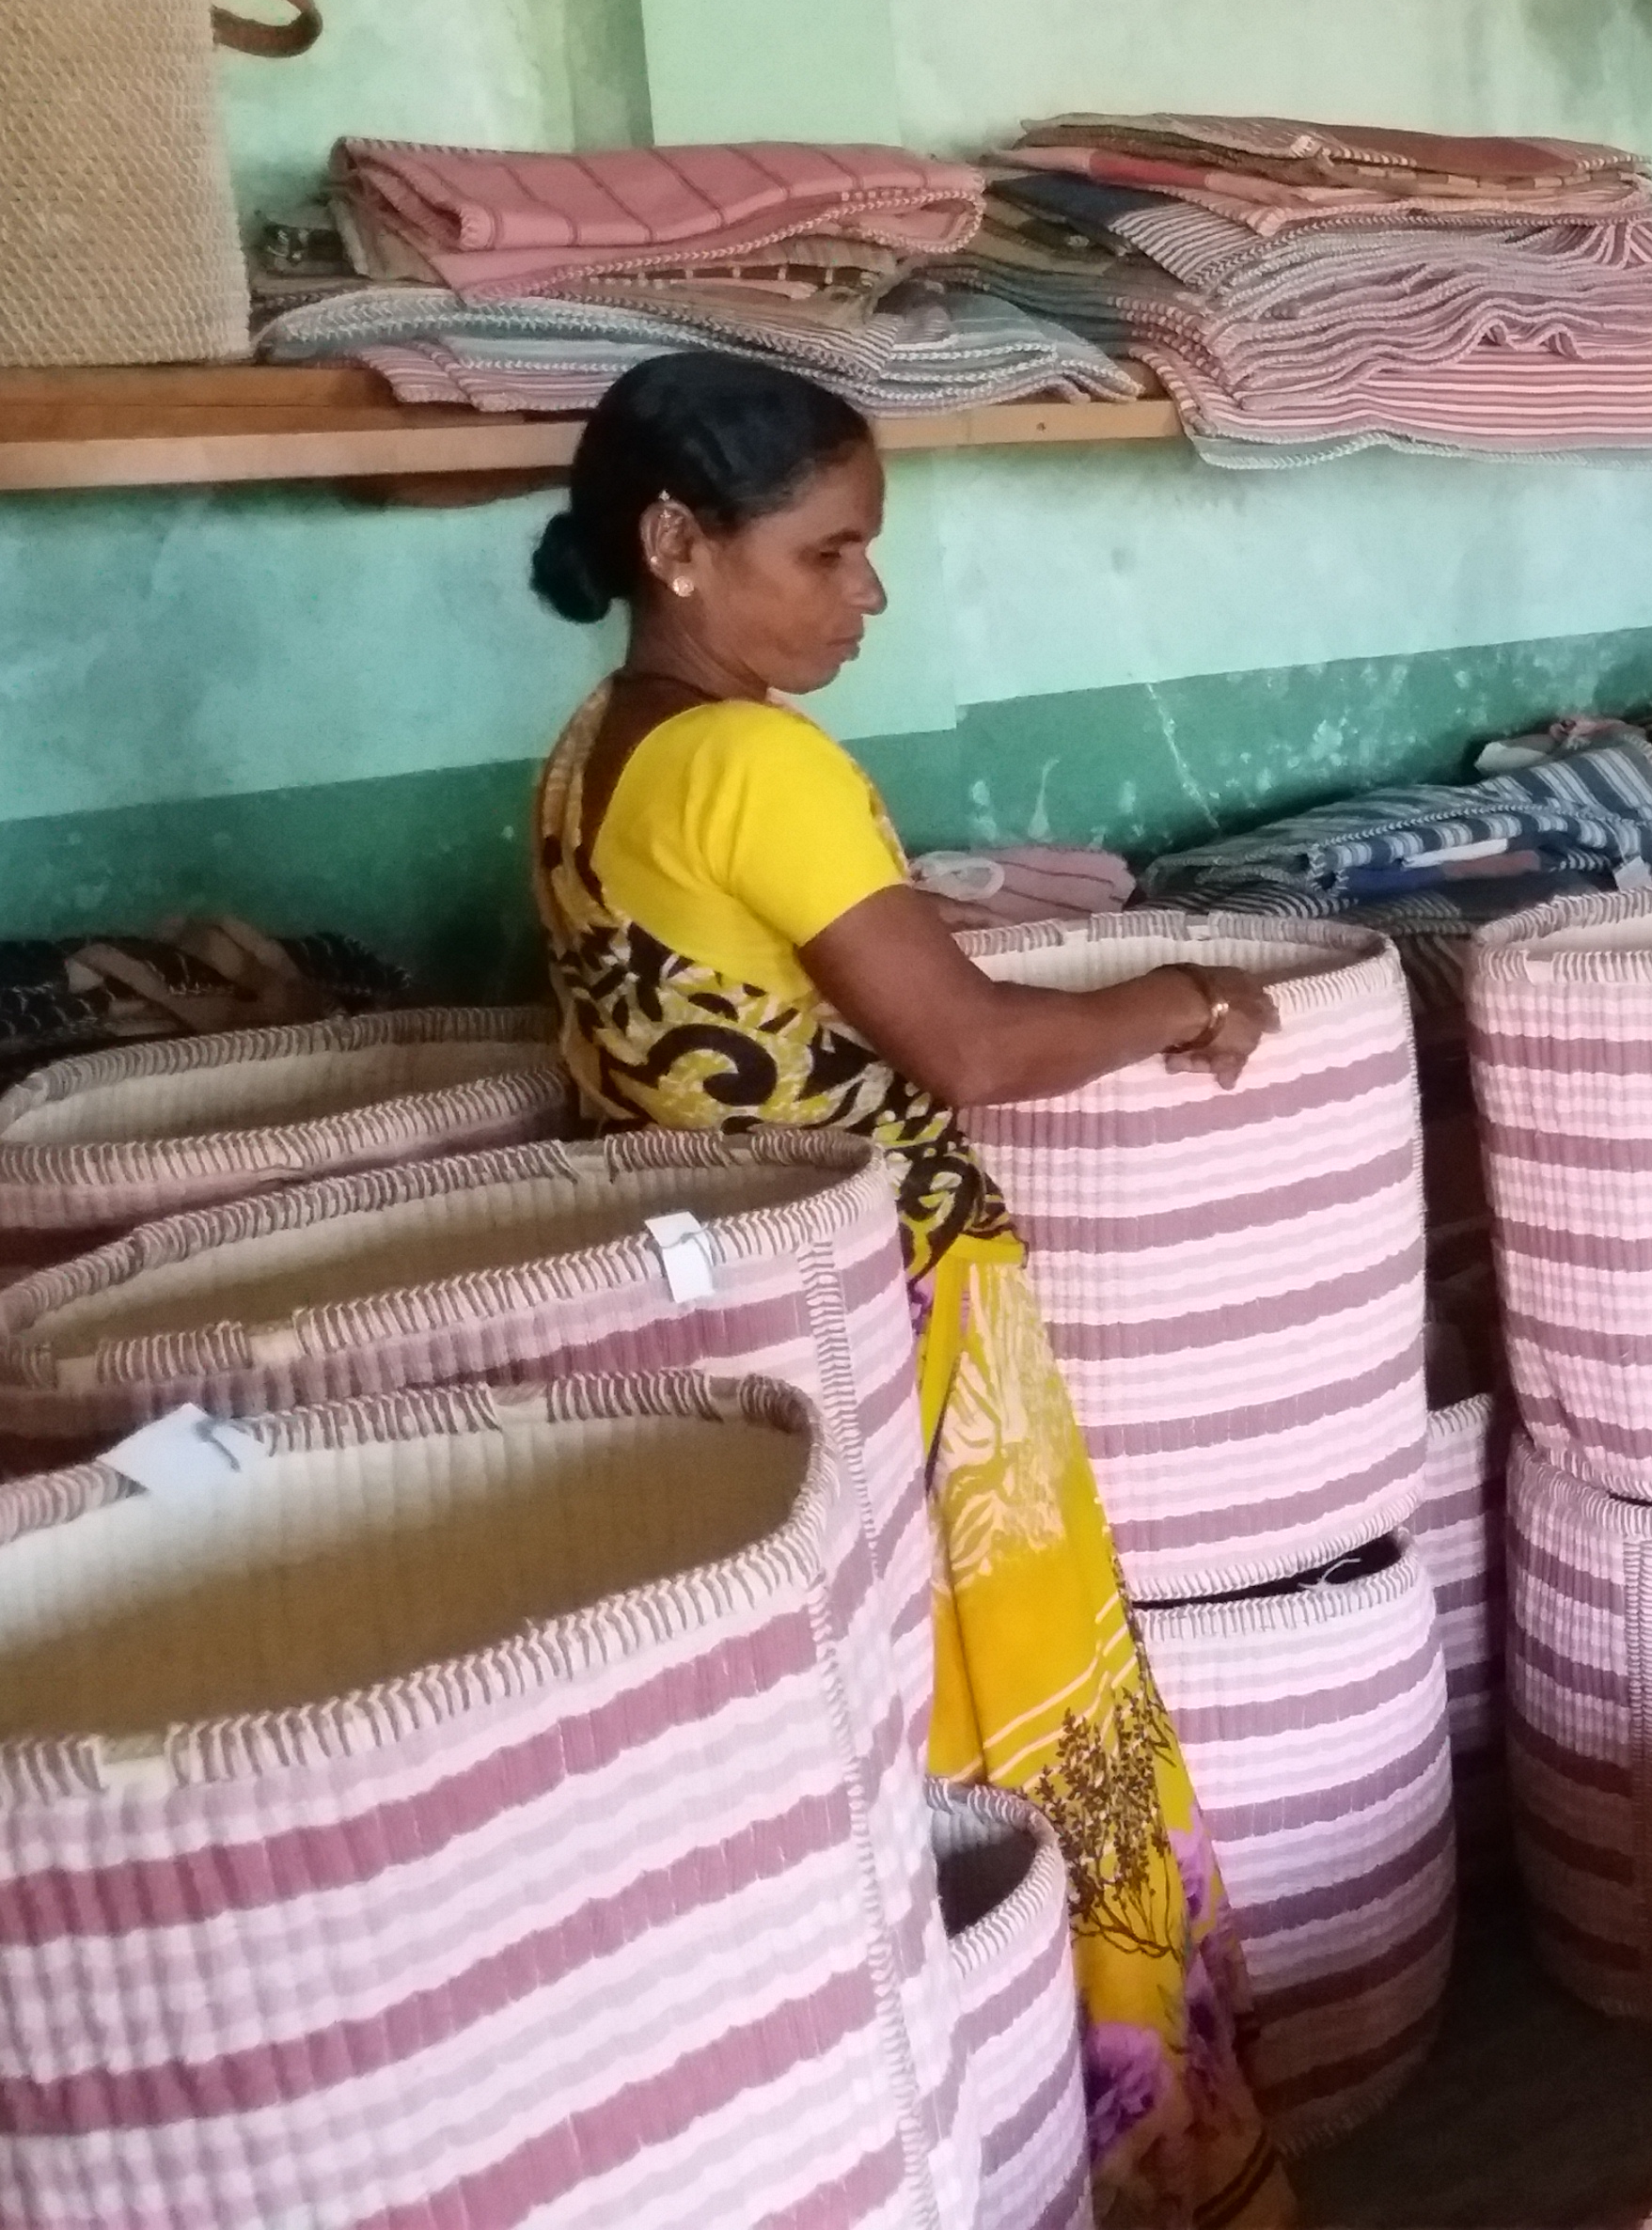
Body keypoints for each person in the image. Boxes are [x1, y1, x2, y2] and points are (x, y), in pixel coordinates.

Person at [523, 353, 1292, 2230]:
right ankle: (1135, 2157)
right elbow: (968, 1049)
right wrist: (1182, 994)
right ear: (676, 544)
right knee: (1028, 1721)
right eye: (833, 551)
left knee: (889, 1738)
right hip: (905, 1302)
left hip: (752, 1325)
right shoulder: (753, 759)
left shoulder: (592, 754)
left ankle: (964, 2146)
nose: (869, 594)